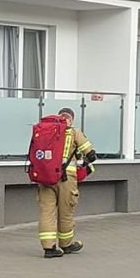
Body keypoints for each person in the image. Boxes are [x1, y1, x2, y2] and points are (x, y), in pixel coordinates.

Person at [38, 108, 96, 258]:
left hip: (45, 177)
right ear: (71, 119)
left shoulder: (46, 132)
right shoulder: (73, 132)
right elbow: (91, 154)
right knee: (65, 212)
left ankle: (49, 248)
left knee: (47, 212)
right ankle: (66, 244)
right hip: (66, 179)